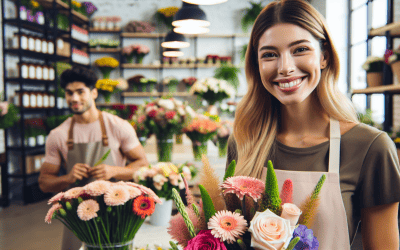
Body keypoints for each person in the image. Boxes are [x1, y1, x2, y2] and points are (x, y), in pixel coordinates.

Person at [226, 0, 400, 249]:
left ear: (324, 57)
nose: (285, 67)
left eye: (300, 50)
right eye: (270, 55)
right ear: (257, 65)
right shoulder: (244, 142)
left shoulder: (370, 147)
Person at [38, 66, 149, 250]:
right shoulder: (58, 135)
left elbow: (143, 164)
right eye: (69, 93)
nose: (74, 98)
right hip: (77, 217)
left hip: (115, 212)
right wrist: (68, 178)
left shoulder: (118, 126)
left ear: (94, 93)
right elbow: (44, 182)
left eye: (81, 92)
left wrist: (115, 171)